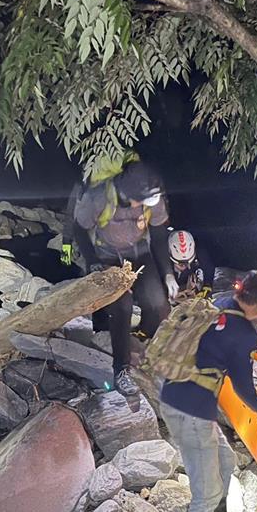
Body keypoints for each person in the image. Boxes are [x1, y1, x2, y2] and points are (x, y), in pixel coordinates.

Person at [159, 270, 257, 512]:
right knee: (205, 492)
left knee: (226, 461)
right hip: (190, 411)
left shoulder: (220, 303)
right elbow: (241, 386)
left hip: (179, 396)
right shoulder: (241, 332)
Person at [72, 154, 172, 396]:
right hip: (106, 255)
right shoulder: (99, 197)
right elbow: (79, 228)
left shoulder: (152, 198)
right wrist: (94, 262)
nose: (146, 207)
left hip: (139, 253)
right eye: (143, 202)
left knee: (159, 305)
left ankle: (148, 350)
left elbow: (158, 235)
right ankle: (121, 370)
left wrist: (168, 273)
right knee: (122, 306)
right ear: (129, 196)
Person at [165, 229, 215, 301]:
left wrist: (207, 286)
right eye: (181, 264)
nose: (185, 266)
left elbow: (209, 268)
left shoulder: (200, 251)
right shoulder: (161, 259)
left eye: (187, 263)